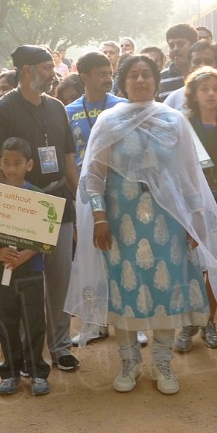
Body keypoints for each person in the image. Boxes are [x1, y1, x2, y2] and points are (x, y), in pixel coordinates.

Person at [66, 54, 217, 395]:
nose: (141, 80)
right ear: (124, 82)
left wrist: (195, 221)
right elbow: (94, 177)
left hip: (169, 221)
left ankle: (162, 363)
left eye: (147, 75)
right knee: (125, 289)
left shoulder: (173, 120)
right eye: (134, 75)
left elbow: (188, 175)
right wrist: (100, 218)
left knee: (167, 287)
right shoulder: (109, 121)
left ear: (157, 81)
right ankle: (129, 363)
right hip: (120, 225)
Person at [0, 45, 81, 373]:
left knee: (59, 280)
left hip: (58, 203)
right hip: (23, 206)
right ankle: (25, 353)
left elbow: (68, 159)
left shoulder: (57, 108)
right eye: (45, 68)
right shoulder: (3, 109)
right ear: (26, 70)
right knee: (24, 284)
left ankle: (60, 347)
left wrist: (81, 201)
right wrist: (12, 206)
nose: (53, 74)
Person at [175, 65, 217, 351]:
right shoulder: (182, 123)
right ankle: (187, 322)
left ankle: (209, 321)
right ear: (193, 93)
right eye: (204, 89)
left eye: (216, 88)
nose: (211, 94)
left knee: (214, 264)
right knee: (189, 265)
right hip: (189, 207)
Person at [65, 51, 132, 347]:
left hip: (119, 190)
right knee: (89, 256)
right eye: (101, 73)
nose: (108, 78)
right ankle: (93, 322)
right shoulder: (68, 112)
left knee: (122, 254)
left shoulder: (123, 107)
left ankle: (132, 322)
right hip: (85, 192)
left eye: (110, 72)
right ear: (84, 77)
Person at [0, 138, 51, 397]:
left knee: (34, 322)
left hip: (31, 271)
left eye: (18, 163)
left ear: (29, 164)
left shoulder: (39, 196)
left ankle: (36, 372)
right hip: (1, 273)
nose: (11, 168)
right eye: (6, 163)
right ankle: (9, 372)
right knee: (6, 322)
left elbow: (46, 238)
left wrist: (25, 255)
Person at [163, 41, 217, 125]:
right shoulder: (174, 99)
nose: (203, 66)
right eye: (197, 62)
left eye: (208, 62)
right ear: (190, 66)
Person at [158, 23, 199, 100]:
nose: (175, 49)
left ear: (194, 46)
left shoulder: (208, 74)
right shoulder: (160, 79)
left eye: (180, 44)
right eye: (171, 46)